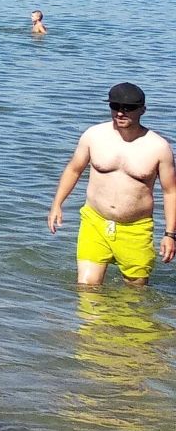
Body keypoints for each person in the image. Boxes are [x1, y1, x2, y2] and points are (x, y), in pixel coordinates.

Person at [47, 82, 176, 286]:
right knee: (87, 288)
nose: (120, 113)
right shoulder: (94, 136)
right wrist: (57, 204)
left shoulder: (158, 147)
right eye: (115, 106)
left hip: (135, 228)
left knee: (135, 294)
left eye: (128, 108)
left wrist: (170, 234)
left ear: (143, 109)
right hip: (95, 222)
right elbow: (74, 169)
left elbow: (170, 192)